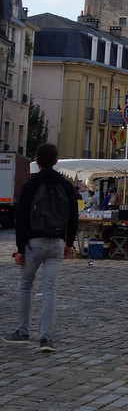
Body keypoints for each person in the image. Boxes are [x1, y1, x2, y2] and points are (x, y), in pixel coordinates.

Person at [4, 142, 79, 352]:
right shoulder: (65, 186)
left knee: (25, 285)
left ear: (37, 161)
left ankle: (22, 331)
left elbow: (22, 220)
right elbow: (73, 216)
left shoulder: (31, 186)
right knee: (50, 290)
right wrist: (70, 243)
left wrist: (20, 249)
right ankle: (46, 338)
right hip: (56, 242)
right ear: (56, 161)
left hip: (34, 243)